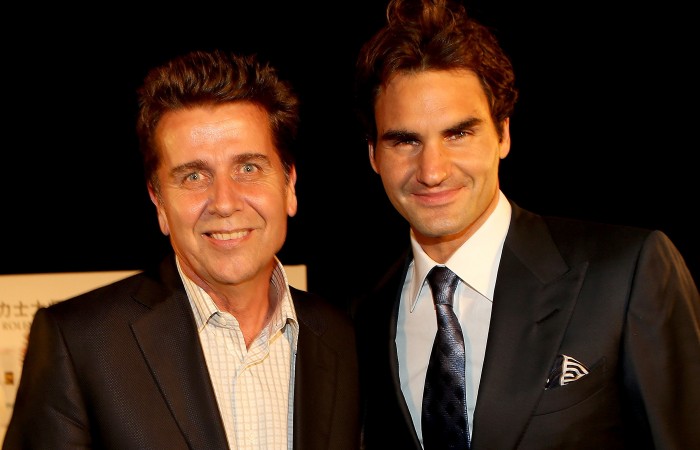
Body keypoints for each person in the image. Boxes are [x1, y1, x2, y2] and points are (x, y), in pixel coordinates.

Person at [351, 0, 700, 449]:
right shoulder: (364, 319)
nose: (432, 170)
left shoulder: (625, 274)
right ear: (374, 156)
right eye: (405, 141)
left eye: (459, 133)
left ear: (503, 134)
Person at [3, 49, 360, 450]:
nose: (225, 202)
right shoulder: (80, 344)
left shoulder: (346, 341)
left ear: (289, 185)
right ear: (159, 203)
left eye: (248, 168)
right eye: (193, 175)